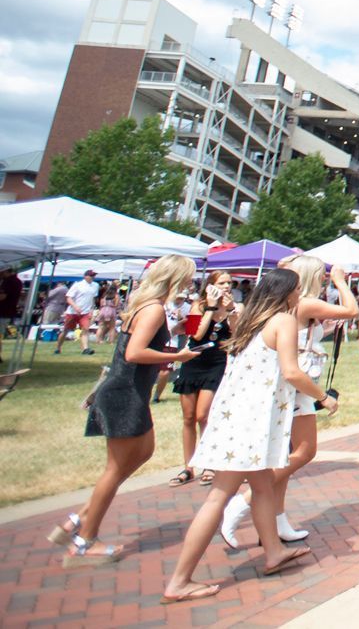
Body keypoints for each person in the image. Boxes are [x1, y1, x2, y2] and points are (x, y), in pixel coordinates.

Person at [160, 268, 336, 602]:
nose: (301, 294)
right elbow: (291, 371)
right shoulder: (282, 321)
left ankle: (272, 551)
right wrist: (323, 397)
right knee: (219, 496)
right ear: (286, 292)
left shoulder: (251, 320)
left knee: (262, 484)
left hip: (242, 417)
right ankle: (179, 581)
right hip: (250, 423)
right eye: (297, 289)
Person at [49, 255, 200, 565]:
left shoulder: (149, 305)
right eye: (188, 277)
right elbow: (134, 352)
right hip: (124, 393)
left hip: (130, 393)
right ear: (173, 277)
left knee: (144, 451)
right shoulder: (154, 308)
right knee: (115, 468)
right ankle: (84, 542)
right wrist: (178, 356)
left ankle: (77, 521)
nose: (190, 282)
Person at [218, 256, 358, 548]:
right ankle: (244, 502)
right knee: (305, 451)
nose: (323, 281)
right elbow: (351, 309)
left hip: (289, 384)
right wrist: (341, 281)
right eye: (320, 276)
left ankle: (277, 519)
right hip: (297, 386)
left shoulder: (288, 305)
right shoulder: (304, 302)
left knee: (285, 453)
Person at [171, 271, 236, 488]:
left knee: (203, 414)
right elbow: (194, 334)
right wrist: (209, 307)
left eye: (229, 283)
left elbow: (237, 334)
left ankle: (209, 461)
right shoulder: (197, 306)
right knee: (188, 417)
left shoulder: (236, 307)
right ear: (210, 285)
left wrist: (230, 310)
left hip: (217, 363)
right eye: (221, 282)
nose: (226, 286)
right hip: (193, 360)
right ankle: (188, 466)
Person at [56, 269, 100, 356]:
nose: (92, 277)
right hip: (72, 312)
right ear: (85, 276)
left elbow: (93, 299)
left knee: (85, 330)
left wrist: (91, 309)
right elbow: (68, 297)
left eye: (93, 275)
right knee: (66, 330)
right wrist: (75, 306)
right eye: (91, 275)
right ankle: (58, 348)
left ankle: (85, 349)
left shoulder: (95, 285)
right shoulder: (77, 285)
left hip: (86, 312)